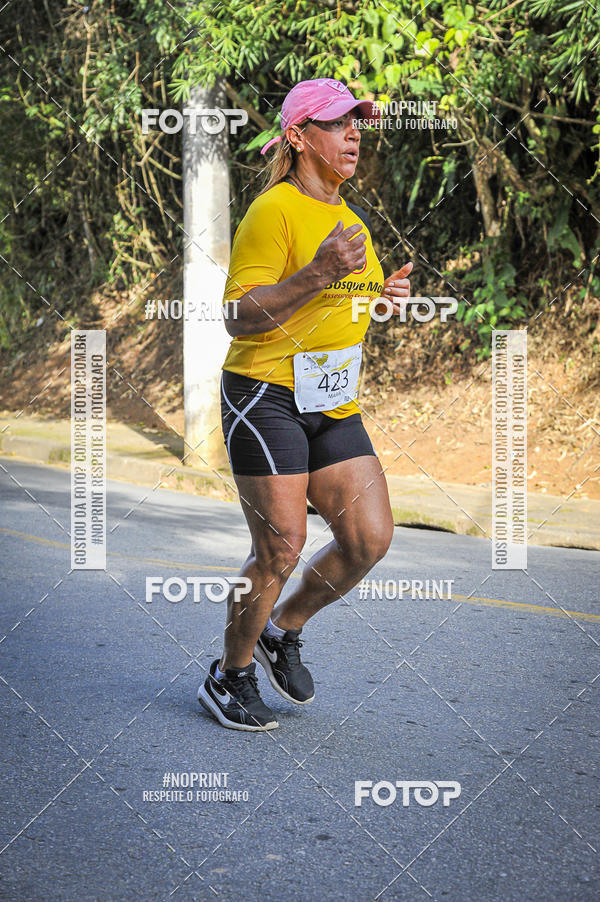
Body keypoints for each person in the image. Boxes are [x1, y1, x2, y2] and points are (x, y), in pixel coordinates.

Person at [198, 78, 413, 731]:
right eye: (337, 123)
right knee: (281, 545)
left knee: (368, 537)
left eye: (358, 123)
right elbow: (239, 316)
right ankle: (228, 676)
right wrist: (317, 274)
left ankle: (282, 628)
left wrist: (378, 300)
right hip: (265, 394)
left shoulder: (351, 218)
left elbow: (344, 298)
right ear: (297, 137)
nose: (354, 133)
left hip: (330, 396)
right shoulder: (275, 211)